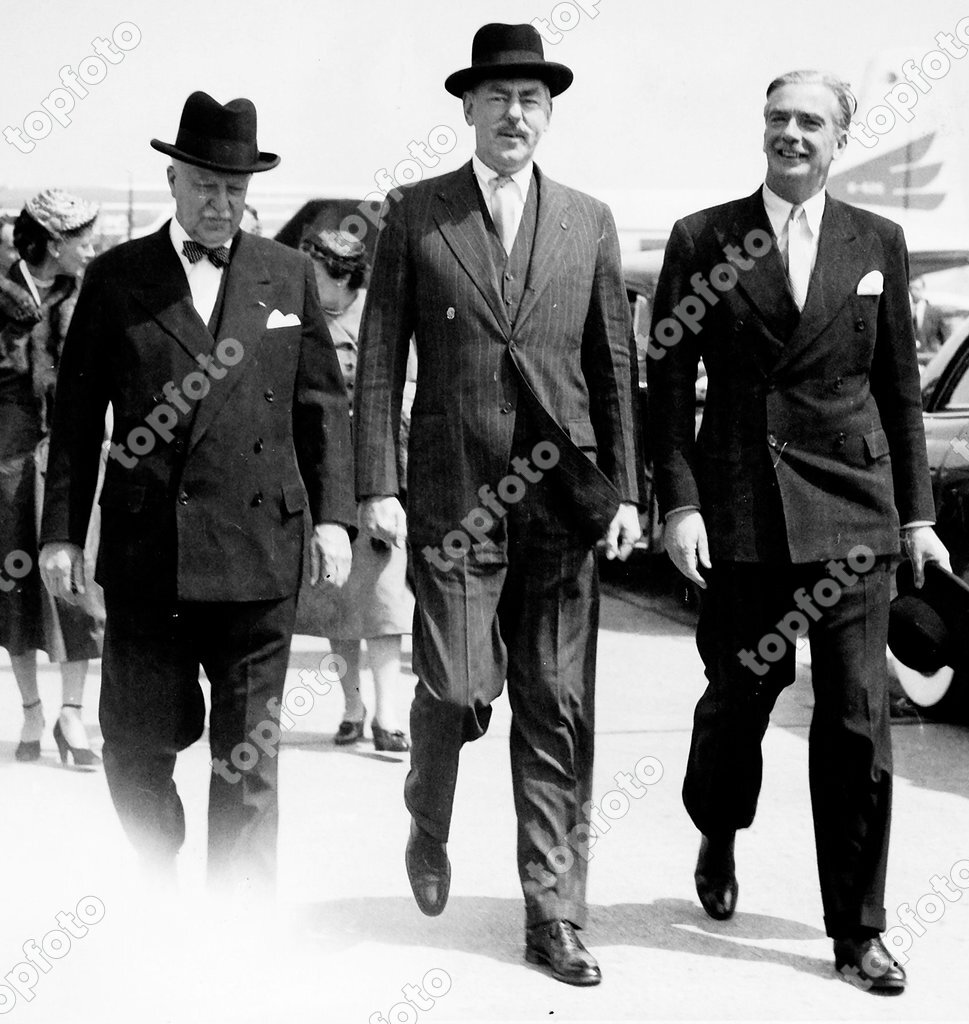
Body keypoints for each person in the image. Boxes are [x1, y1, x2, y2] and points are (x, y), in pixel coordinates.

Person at [646, 70, 952, 993]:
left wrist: (920, 517)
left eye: (809, 122)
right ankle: (717, 827)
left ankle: (858, 930)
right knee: (740, 701)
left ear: (840, 138)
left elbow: (901, 388)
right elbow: (665, 385)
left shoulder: (879, 242)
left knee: (858, 718)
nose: (790, 134)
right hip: (742, 512)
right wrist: (681, 503)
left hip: (854, 511)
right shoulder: (705, 239)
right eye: (778, 118)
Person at [354, 23, 640, 987]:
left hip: (563, 506)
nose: (515, 115)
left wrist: (626, 493)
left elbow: (615, 365)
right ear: (467, 108)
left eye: (533, 100)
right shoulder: (416, 214)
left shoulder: (590, 219)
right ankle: (426, 814)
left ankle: (554, 917)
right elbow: (380, 360)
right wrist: (378, 486)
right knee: (464, 689)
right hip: (455, 500)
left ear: (548, 113)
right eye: (498, 98)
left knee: (557, 709)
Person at [39, 91, 355, 894]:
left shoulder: (286, 276)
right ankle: (157, 865)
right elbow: (76, 420)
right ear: (174, 180)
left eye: (236, 189)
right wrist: (60, 535)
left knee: (248, 753)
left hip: (260, 553)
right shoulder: (116, 278)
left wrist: (336, 520)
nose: (221, 204)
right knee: (136, 742)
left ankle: (236, 931)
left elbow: (322, 405)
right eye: (206, 185)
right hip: (152, 556)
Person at [295, 229, 414, 752]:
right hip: (322, 469)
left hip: (376, 470)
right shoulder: (302, 313)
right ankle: (352, 706)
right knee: (335, 594)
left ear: (340, 274)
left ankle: (389, 713)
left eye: (315, 269)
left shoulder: (380, 315)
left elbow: (407, 387)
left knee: (385, 594)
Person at [0, 189, 103, 767]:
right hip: (7, 463)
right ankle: (33, 710)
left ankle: (72, 714)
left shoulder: (87, 297)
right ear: (55, 242)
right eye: (84, 239)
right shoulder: (0, 295)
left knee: (75, 582)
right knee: (13, 586)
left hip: (69, 458)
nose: (92, 249)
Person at [909, 276, 947, 355]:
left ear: (923, 289)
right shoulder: (905, 311)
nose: (913, 292)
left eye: (916, 289)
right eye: (911, 288)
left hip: (929, 355)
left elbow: (943, 337)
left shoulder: (934, 312)